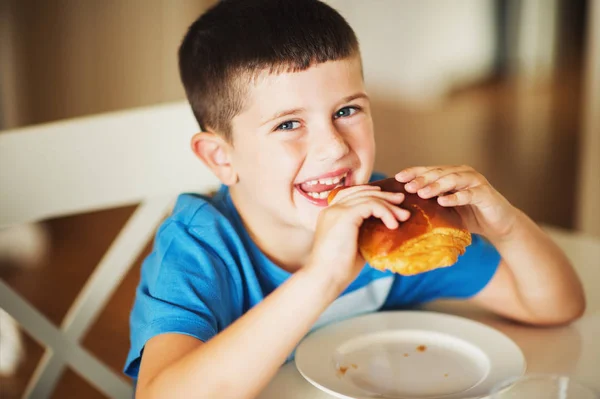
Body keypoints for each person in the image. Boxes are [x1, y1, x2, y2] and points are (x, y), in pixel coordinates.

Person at [125, 1, 586, 397]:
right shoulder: (199, 251)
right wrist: (322, 277)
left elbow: (556, 306)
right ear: (221, 158)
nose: (333, 147)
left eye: (347, 111)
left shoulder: (391, 225)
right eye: (288, 124)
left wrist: (505, 225)